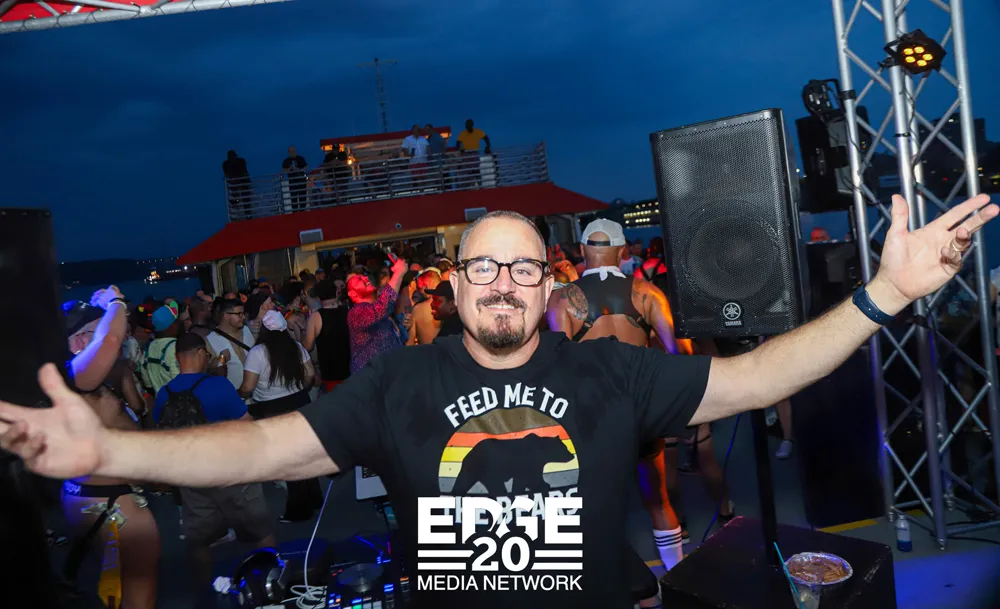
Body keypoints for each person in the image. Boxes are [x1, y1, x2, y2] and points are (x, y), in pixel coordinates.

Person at [2, 195, 995, 609]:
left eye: (524, 267)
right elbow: (262, 450)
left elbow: (758, 378)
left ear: (548, 282)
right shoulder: (402, 382)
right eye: (485, 267)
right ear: (457, 284)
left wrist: (883, 295)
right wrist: (111, 454)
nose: (504, 284)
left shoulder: (607, 370)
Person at [545, 218, 688, 573]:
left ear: (582, 250)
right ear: (622, 251)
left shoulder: (561, 300)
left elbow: (558, 366)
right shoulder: (647, 293)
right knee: (658, 501)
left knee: (597, 508)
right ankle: (677, 579)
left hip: (593, 419)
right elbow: (680, 354)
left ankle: (610, 586)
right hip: (641, 413)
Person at [152, 332, 275, 593]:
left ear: (177, 357)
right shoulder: (219, 386)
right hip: (231, 471)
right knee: (260, 530)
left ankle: (204, 591)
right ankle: (270, 582)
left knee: (200, 539)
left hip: (192, 476)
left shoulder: (164, 394)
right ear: (200, 353)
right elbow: (248, 426)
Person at [240, 311, 321, 522]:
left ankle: (298, 511)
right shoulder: (296, 346)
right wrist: (298, 388)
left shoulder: (257, 352)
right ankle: (314, 499)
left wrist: (238, 394)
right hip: (300, 403)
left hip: (272, 410)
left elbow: (248, 387)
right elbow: (310, 375)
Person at [345, 257, 407, 373]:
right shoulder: (355, 312)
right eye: (358, 279)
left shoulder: (378, 311)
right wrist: (398, 273)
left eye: (363, 276)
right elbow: (382, 307)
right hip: (369, 376)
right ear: (352, 294)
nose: (364, 278)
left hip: (387, 374)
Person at [302, 279, 351, 393]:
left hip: (329, 373)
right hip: (349, 369)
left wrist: (302, 331)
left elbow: (308, 346)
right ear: (336, 293)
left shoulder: (316, 317)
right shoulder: (347, 311)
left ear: (318, 298)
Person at [206, 299, 255, 391]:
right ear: (226, 316)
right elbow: (209, 371)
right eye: (239, 314)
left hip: (257, 393)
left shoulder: (248, 330)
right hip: (233, 395)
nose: (243, 317)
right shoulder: (210, 340)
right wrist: (221, 358)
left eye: (243, 313)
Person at [282, 145, 308, 212]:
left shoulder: (300, 158)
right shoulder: (286, 161)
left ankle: (302, 214)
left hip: (301, 183)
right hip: (292, 183)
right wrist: (290, 169)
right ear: (288, 152)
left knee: (303, 200)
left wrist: (299, 170)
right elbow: (283, 170)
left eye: (293, 151)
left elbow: (306, 167)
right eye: (291, 151)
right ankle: (295, 214)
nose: (292, 152)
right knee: (294, 202)